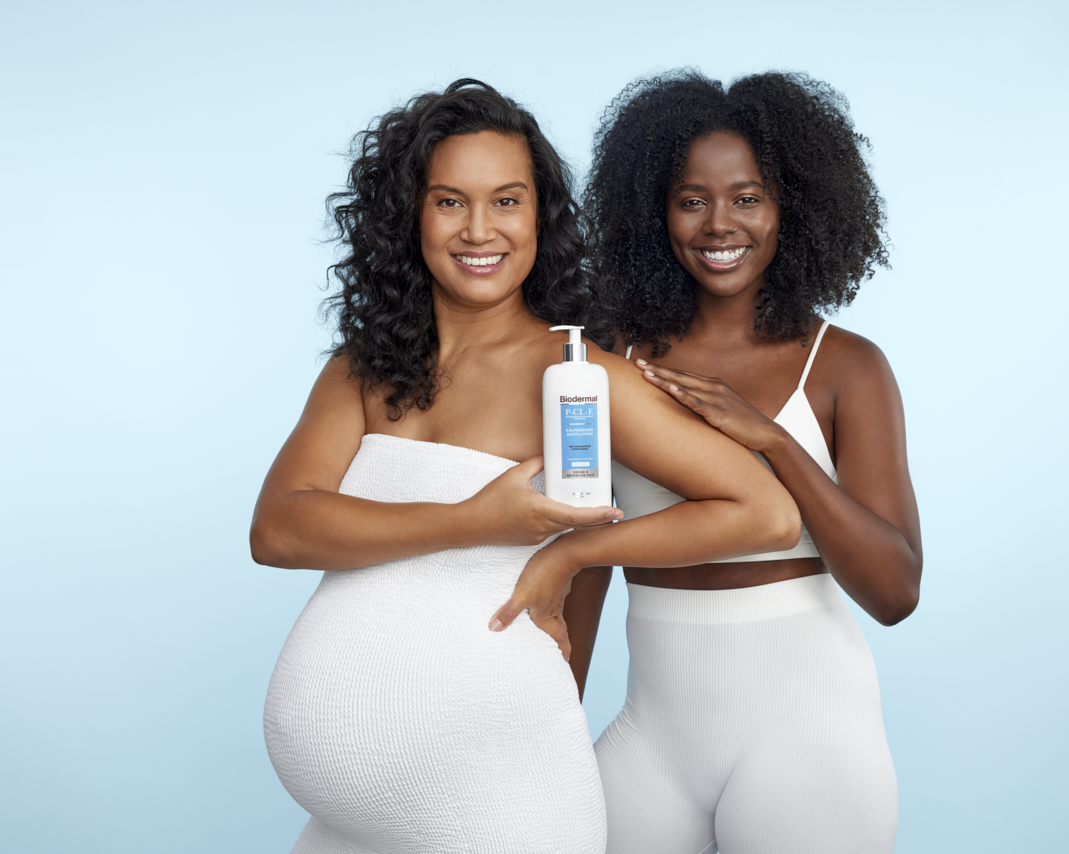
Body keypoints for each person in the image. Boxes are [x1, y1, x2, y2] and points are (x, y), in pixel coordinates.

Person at [251, 79, 800, 854]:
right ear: (410, 215)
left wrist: (576, 551)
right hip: (347, 821)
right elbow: (278, 528)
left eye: (507, 201)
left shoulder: (577, 375)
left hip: (500, 800)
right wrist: (475, 520)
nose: (480, 229)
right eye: (449, 201)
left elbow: (765, 512)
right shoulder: (363, 369)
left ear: (541, 216)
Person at [570, 70, 923, 854]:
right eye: (692, 199)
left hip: (810, 742)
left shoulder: (846, 368)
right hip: (650, 740)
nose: (718, 224)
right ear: (654, 212)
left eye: (748, 197)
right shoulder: (607, 362)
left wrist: (772, 439)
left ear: (788, 206)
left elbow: (895, 590)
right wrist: (552, 731)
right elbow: (587, 559)